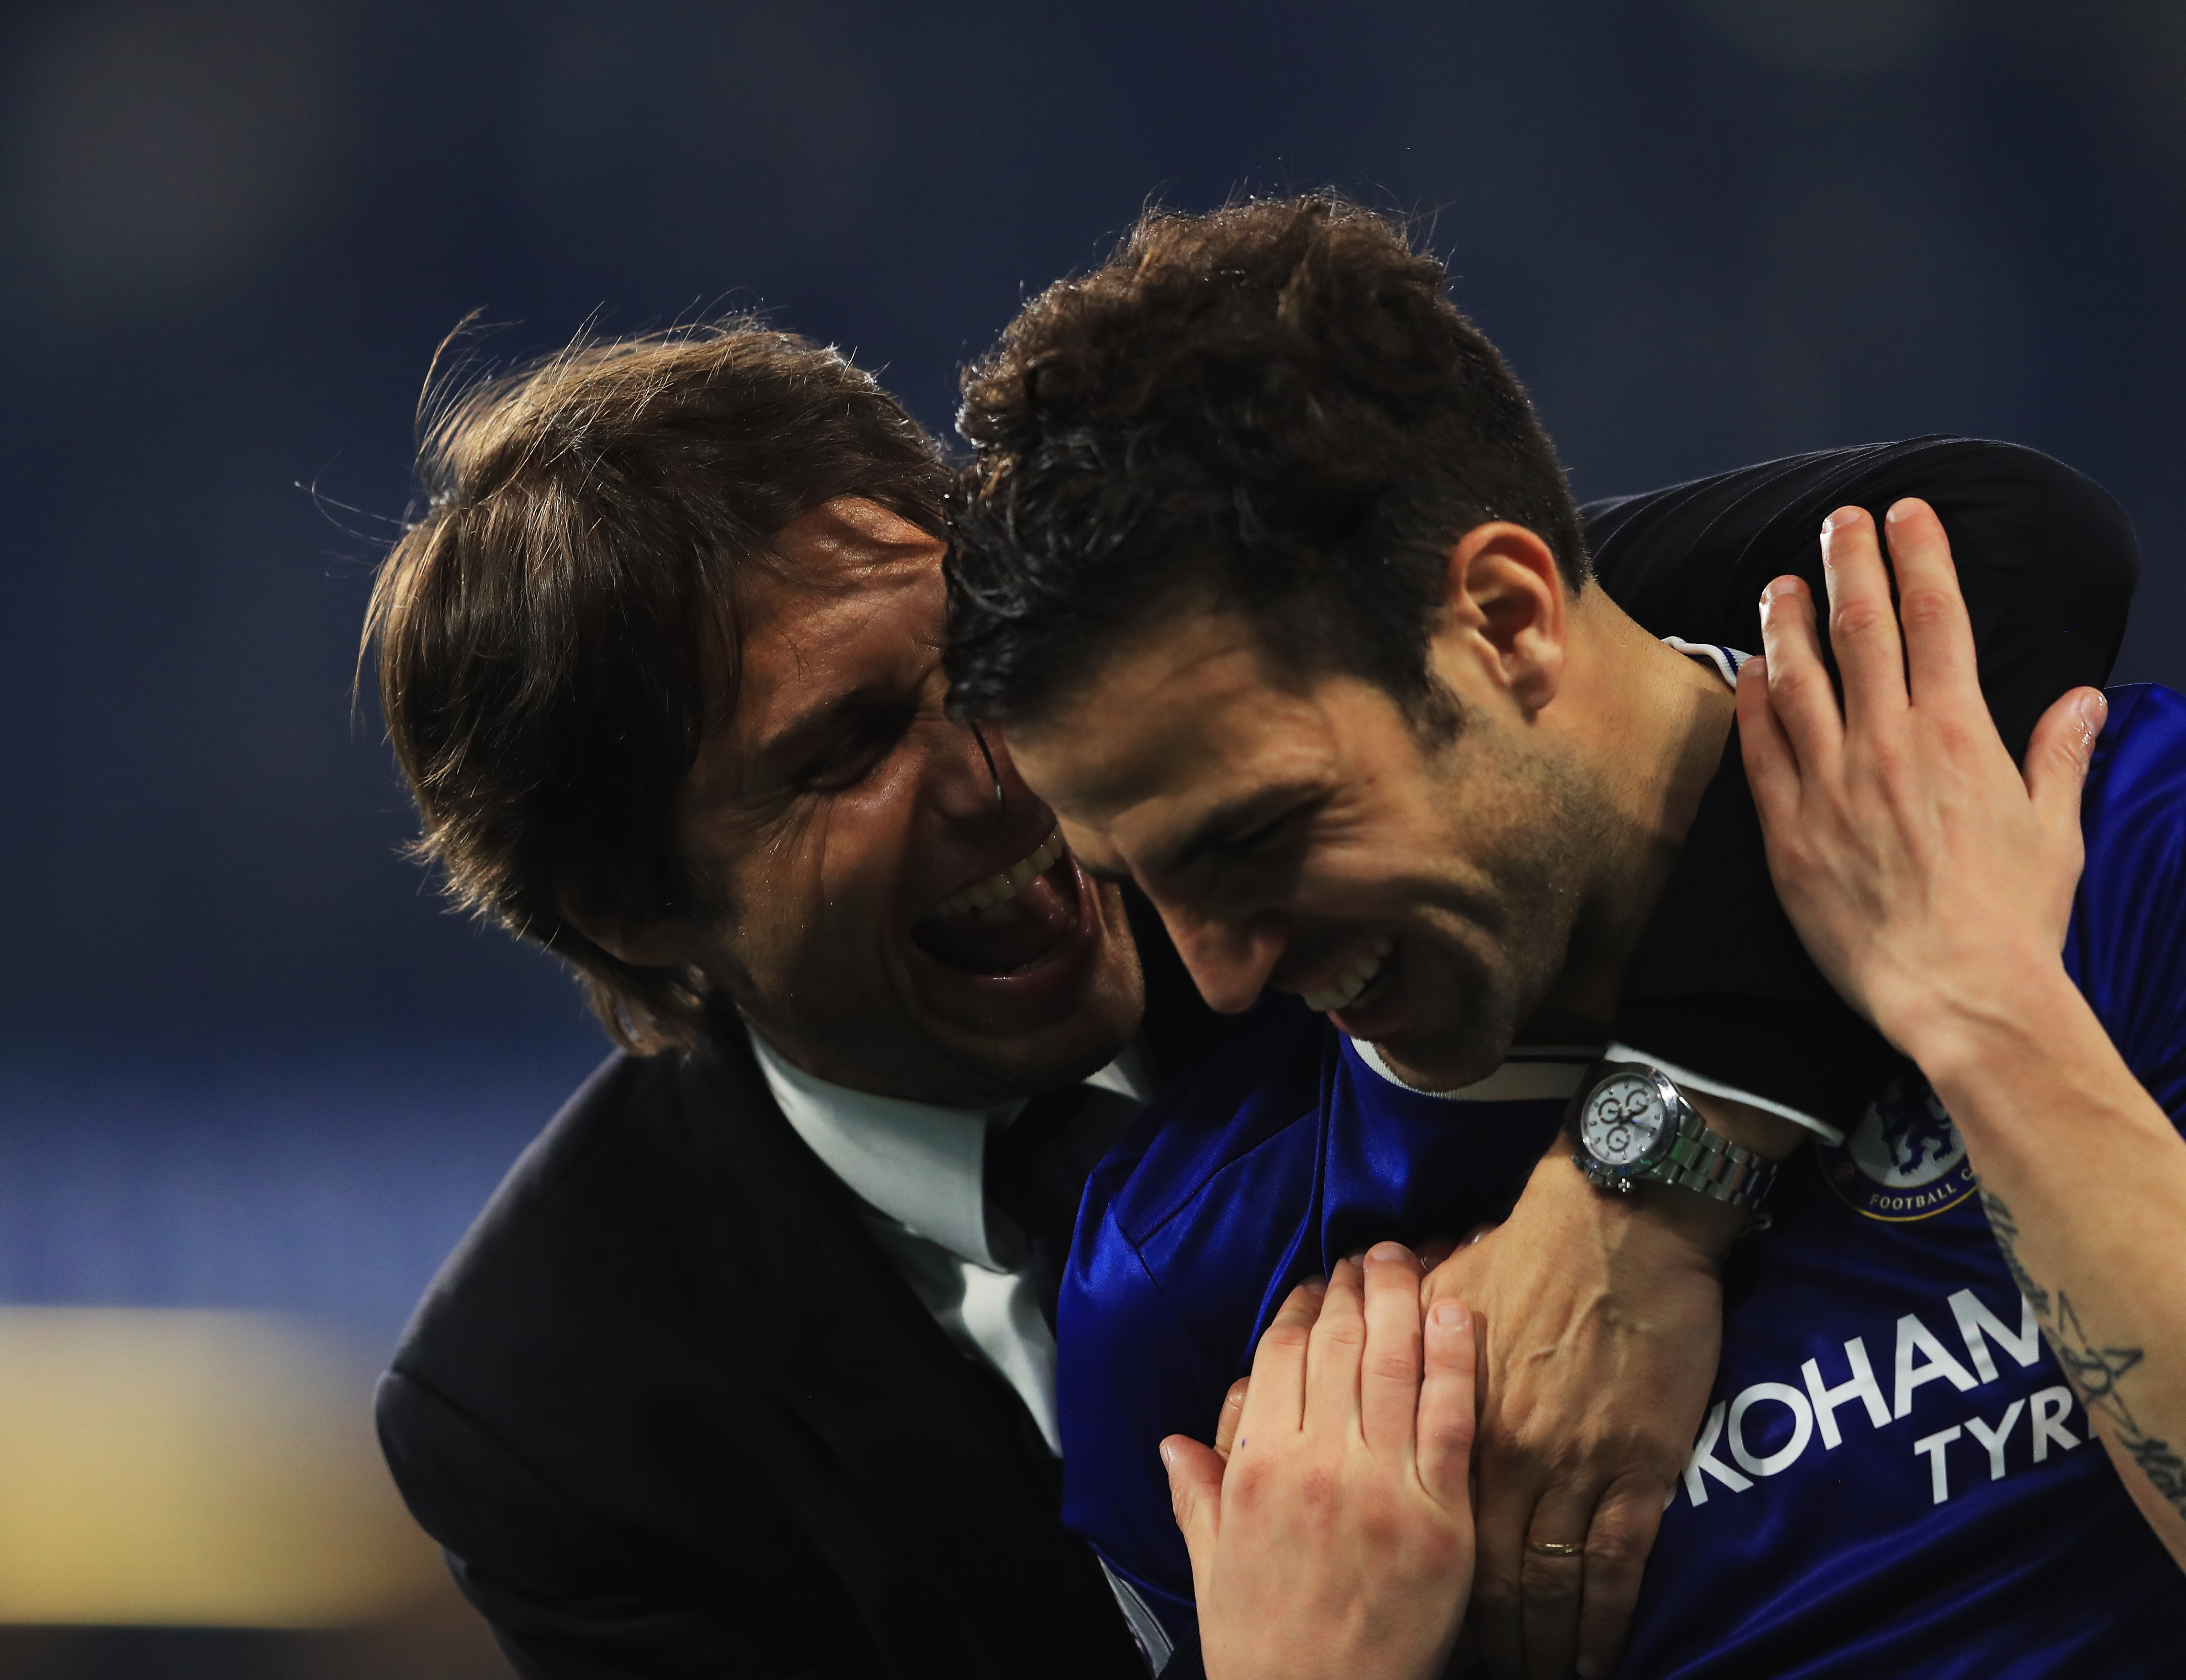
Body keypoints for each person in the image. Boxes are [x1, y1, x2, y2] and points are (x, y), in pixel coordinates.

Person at [364, 310, 2124, 1678]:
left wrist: (1655, 1180)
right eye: (844, 753)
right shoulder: (558, 1416)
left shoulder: (1281, 738)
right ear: (634, 907)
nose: (1003, 774)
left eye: (968, 660)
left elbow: (1998, 542)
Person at [943, 193, 2182, 1677]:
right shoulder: (1193, 1292)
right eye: (1140, 882)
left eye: (1261, 834)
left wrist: (1982, 1015)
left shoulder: (2123, 849)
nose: (1219, 972)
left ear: (1510, 618)